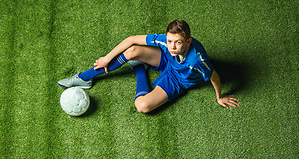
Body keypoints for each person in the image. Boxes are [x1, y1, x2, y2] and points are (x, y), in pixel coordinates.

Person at [58, 19, 239, 113]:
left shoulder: (197, 60)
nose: (172, 46)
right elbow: (131, 40)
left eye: (178, 42)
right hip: (167, 61)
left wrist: (219, 96)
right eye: (169, 41)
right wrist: (106, 58)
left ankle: (139, 69)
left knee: (142, 106)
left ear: (188, 41)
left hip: (178, 80)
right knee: (132, 51)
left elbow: (213, 76)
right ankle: (85, 78)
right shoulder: (168, 44)